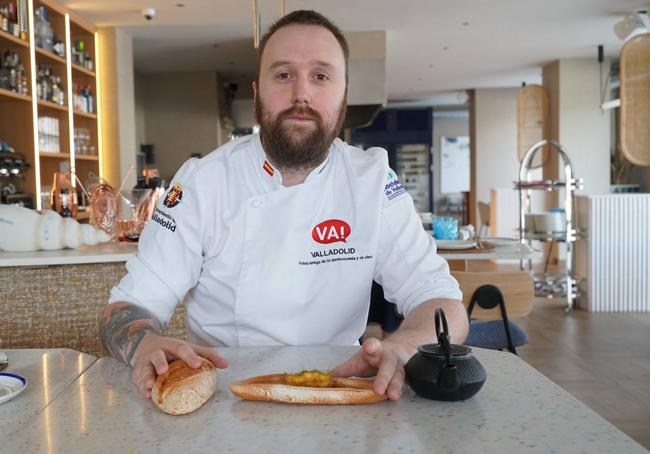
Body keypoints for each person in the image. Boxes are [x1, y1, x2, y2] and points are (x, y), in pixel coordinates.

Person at [100, 10, 467, 402]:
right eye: (284, 75)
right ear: (257, 92)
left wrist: (405, 345)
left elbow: (442, 301)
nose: (301, 95)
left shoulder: (372, 180)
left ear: (345, 95)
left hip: (340, 393)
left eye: (321, 76)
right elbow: (126, 308)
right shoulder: (202, 182)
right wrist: (144, 345)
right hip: (225, 401)